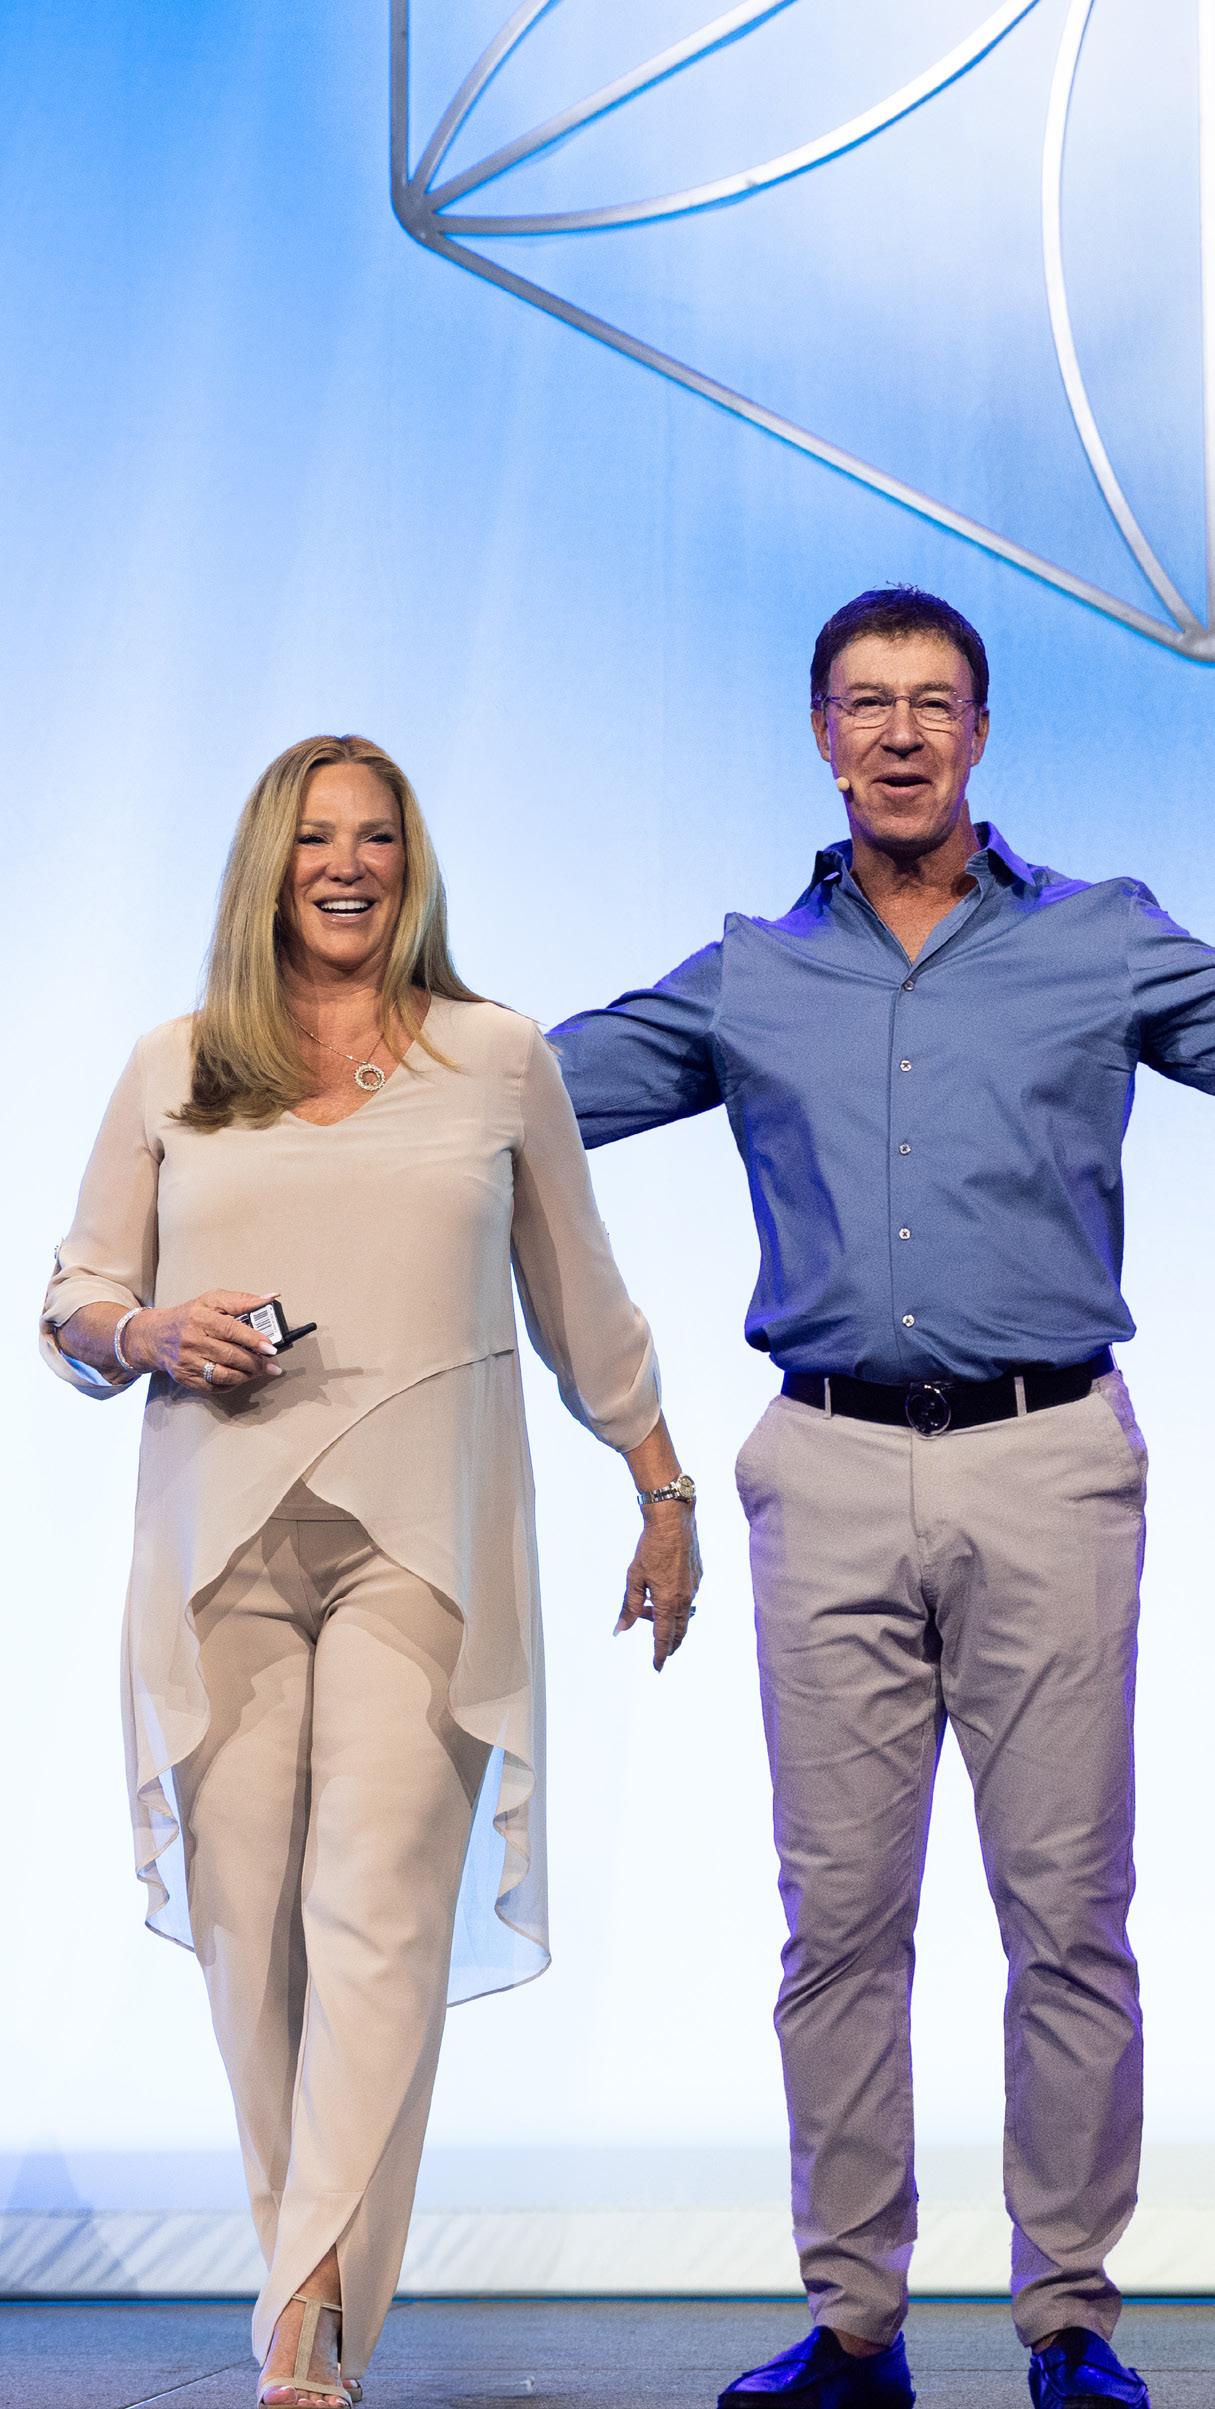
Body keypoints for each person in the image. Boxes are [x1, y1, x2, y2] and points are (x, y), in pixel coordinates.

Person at [546, 586, 1201, 2409]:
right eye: (865, 702)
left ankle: (1069, 2320)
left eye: (933, 702)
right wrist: (326, 1060)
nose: (901, 732)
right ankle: (854, 2323)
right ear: (822, 735)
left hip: (1048, 1452)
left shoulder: (1100, 937)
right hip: (826, 1462)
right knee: (839, 1920)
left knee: (1069, 1911)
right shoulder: (752, 974)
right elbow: (526, 1096)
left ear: (981, 734)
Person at [42, 733, 701, 2409]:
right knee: (252, 1930)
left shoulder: (497, 1057)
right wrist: (147, 1329)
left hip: (425, 1540)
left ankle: (306, 2318)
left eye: (379, 838)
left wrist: (663, 1488)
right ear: (269, 863)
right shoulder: (176, 1065)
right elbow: (75, 1297)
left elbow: (585, 1303)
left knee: (378, 1910)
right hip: (219, 1544)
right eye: (318, 838)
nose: (349, 865)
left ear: (413, 867)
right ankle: (306, 2283)